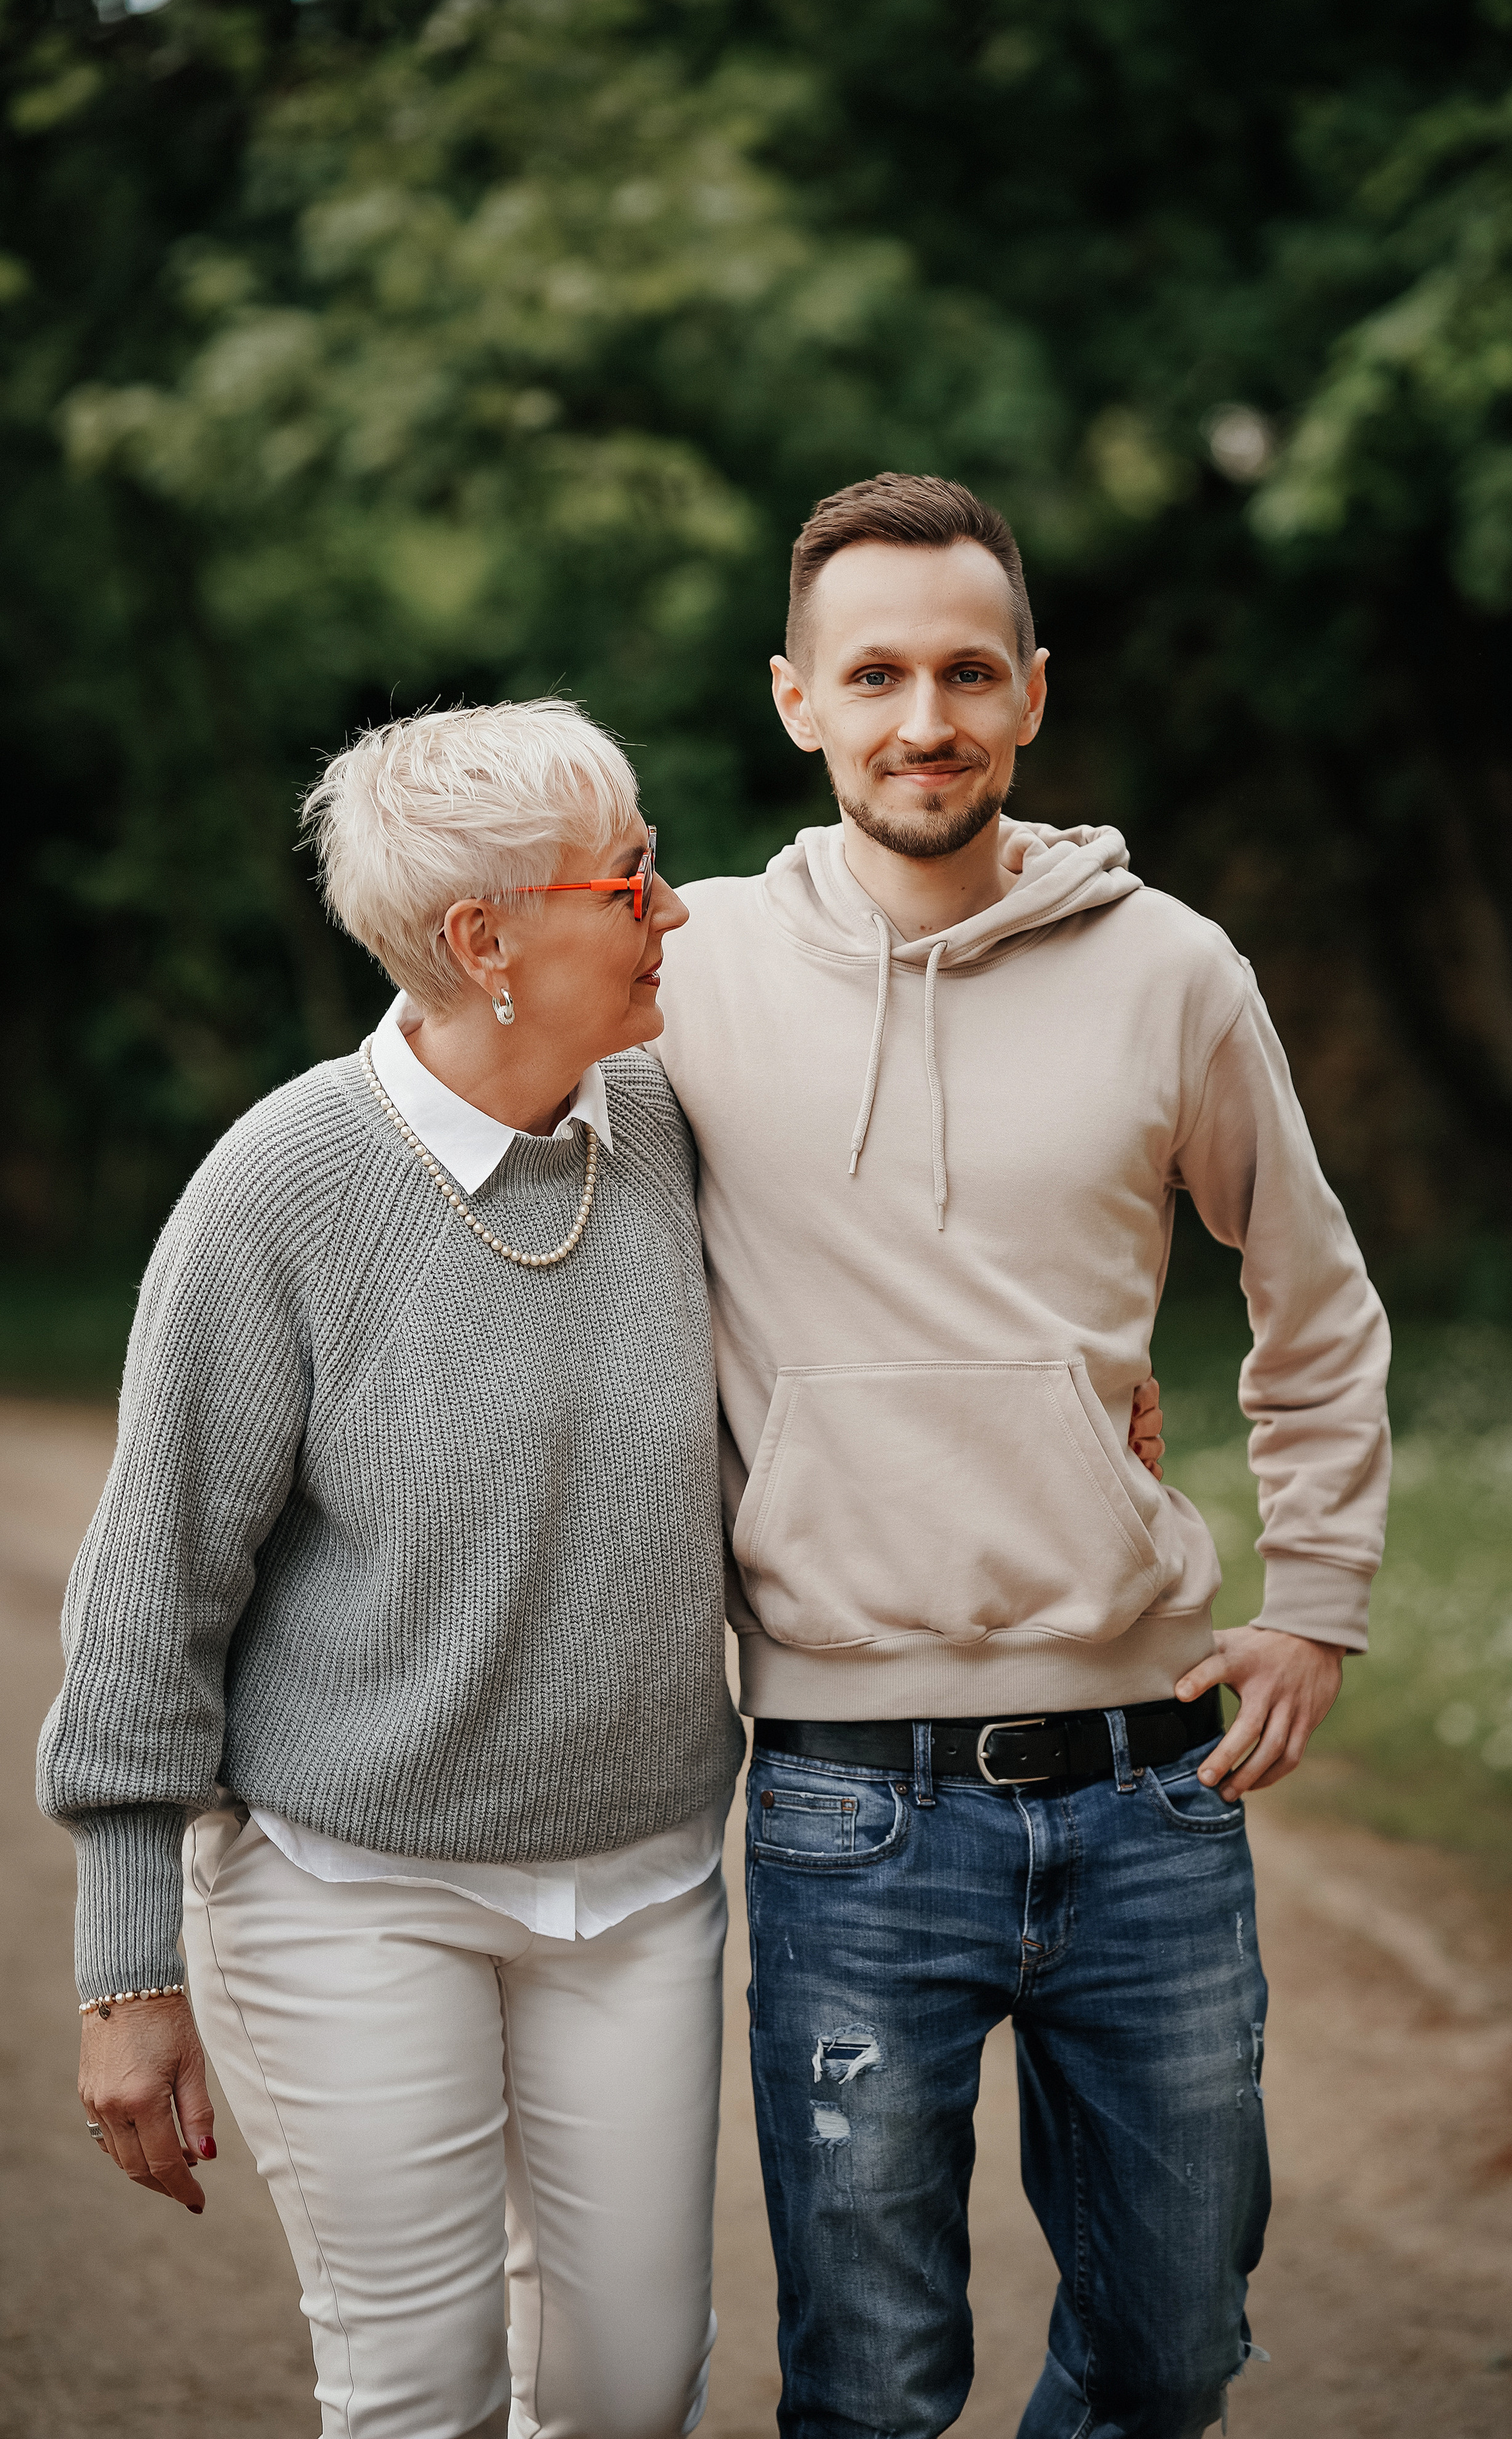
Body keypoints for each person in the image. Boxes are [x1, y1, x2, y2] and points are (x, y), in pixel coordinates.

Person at [651, 474, 1393, 2439]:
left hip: (1149, 1797)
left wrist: (1315, 1598)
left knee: (1172, 2351)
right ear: (797, 699)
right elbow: (467, 1107)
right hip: (843, 1808)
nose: (925, 717)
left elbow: (1313, 1301)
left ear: (1034, 695)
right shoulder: (687, 970)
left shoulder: (1174, 972)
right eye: (875, 672)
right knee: (873, 2386)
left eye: (968, 671)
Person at [37, 699, 748, 2439]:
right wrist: (127, 1974)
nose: (675, 909)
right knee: (416, 2389)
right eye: (633, 877)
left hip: (643, 1883)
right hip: (354, 1889)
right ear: (481, 941)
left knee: (633, 2392)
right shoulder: (283, 1188)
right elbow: (152, 1590)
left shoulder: (671, 1122)